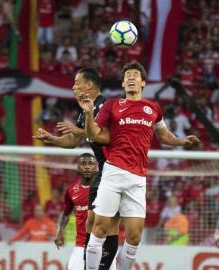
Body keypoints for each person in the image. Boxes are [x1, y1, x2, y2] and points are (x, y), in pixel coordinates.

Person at [76, 61, 199, 270]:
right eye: (128, 76)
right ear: (123, 83)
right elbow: (93, 134)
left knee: (134, 237)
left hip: (137, 178)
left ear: (142, 82)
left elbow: (164, 135)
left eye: (135, 75)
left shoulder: (153, 108)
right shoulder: (112, 105)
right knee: (100, 229)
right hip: (113, 173)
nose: (131, 78)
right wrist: (88, 113)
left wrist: (180, 141)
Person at [33, 68, 119, 269]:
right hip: (103, 173)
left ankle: (107, 265)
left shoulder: (107, 106)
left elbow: (110, 137)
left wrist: (78, 130)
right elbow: (73, 141)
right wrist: (52, 139)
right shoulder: (86, 110)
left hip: (116, 171)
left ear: (88, 85)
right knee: (92, 223)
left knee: (107, 225)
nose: (73, 87)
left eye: (76, 82)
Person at [55, 153, 98, 270]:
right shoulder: (71, 190)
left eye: (91, 163)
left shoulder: (105, 187)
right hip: (81, 243)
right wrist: (60, 231)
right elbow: (66, 213)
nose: (87, 167)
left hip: (102, 243)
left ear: (96, 166)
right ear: (78, 167)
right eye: (83, 163)